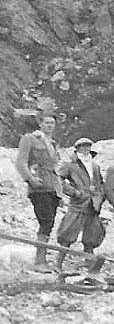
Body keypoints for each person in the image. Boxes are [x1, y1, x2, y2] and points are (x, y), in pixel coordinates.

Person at [15, 113, 62, 271]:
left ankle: (42, 261)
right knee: (45, 222)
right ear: (40, 124)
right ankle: (39, 262)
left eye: (52, 123)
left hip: (52, 187)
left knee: (49, 224)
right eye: (47, 122)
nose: (50, 125)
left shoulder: (53, 144)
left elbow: (56, 169)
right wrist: (30, 179)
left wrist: (60, 191)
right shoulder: (30, 139)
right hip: (39, 186)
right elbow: (21, 161)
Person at [54, 138, 105, 270]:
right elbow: (59, 179)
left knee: (92, 234)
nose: (85, 149)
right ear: (77, 148)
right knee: (68, 232)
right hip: (78, 203)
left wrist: (100, 196)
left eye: (87, 146)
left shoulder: (95, 166)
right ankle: (59, 263)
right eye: (82, 147)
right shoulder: (70, 164)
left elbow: (101, 184)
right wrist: (74, 192)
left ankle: (89, 261)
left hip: (93, 204)